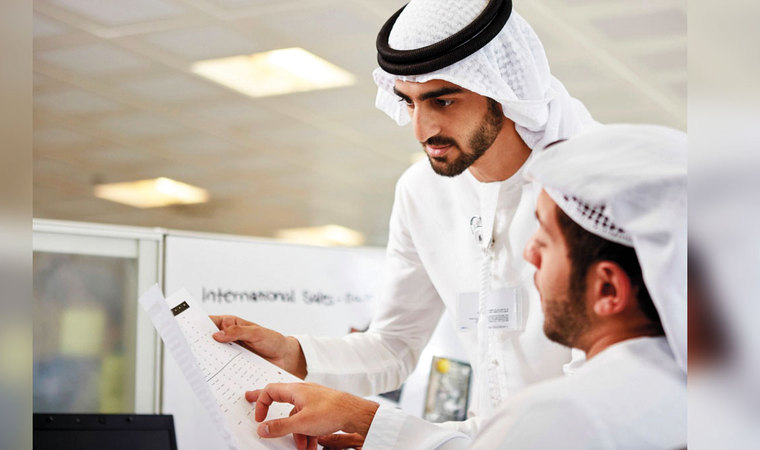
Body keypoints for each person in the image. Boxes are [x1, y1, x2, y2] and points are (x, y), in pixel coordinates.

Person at [211, 0, 595, 441]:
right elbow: (394, 345)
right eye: (408, 103)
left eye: (443, 101)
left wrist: (377, 427)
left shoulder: (593, 186)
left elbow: (593, 408)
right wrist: (291, 353)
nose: (420, 129)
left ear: (503, 89)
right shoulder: (422, 191)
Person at [244, 124, 688, 449]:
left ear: (608, 289)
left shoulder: (567, 414)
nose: (529, 253)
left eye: (546, 240)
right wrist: (366, 422)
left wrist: (365, 418)